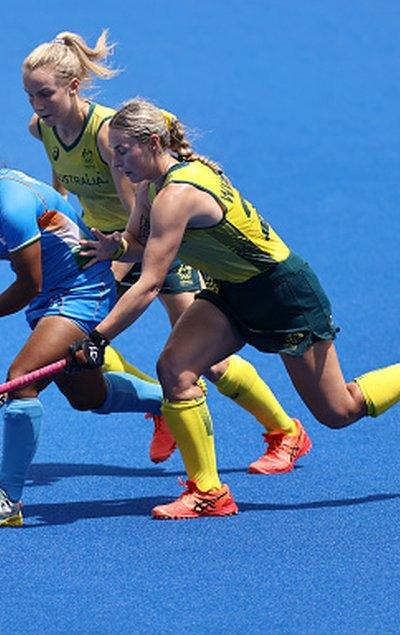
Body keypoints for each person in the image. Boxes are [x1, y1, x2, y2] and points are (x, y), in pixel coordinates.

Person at [74, 99, 400, 519]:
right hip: (232, 291)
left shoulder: (177, 194)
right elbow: (144, 243)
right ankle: (209, 492)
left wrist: (98, 338)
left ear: (153, 142)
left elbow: (149, 282)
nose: (116, 161)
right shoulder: (150, 186)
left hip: (282, 293)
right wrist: (118, 246)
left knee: (338, 410)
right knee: (175, 368)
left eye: (123, 150)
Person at [23, 31, 307, 473]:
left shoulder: (105, 134)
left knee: (206, 362)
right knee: (83, 335)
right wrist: (62, 223)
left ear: (74, 87)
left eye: (45, 93)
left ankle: (285, 431)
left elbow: (136, 206)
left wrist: (122, 253)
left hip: (150, 240)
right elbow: (61, 175)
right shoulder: (42, 128)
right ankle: (161, 407)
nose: (37, 104)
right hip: (103, 244)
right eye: (30, 95)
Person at [0, 125, 169, 527]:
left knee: (21, 379)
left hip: (83, 288)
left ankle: (7, 499)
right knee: (88, 396)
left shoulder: (10, 205)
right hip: (47, 301)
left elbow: (27, 283)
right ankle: (168, 401)